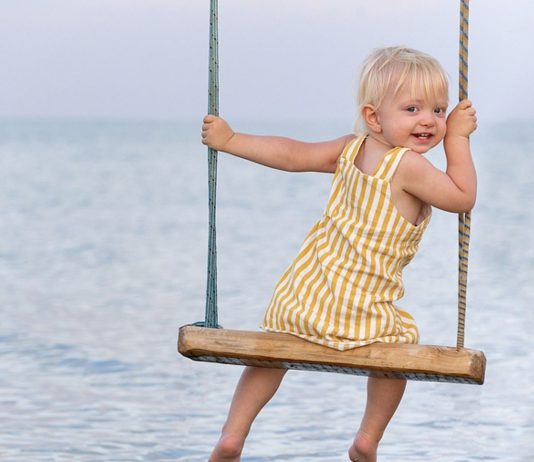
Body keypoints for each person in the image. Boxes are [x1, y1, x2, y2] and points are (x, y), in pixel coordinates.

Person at [200, 46, 477, 462]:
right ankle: (367, 440)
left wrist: (232, 140)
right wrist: (457, 137)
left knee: (270, 352)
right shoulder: (409, 167)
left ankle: (232, 436)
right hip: (364, 310)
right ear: (373, 117)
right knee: (397, 351)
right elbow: (462, 196)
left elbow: (293, 155)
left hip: (302, 296)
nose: (429, 120)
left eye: (439, 111)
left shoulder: (351, 149)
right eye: (413, 108)